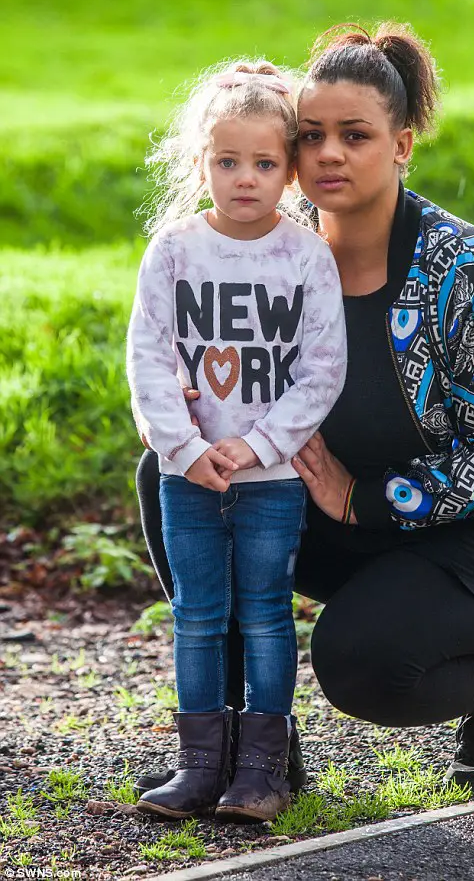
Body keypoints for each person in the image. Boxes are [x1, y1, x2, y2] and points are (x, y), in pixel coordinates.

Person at [134, 23, 474, 803]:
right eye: (310, 136)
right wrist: (179, 408)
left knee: (364, 667)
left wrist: (364, 498)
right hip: (337, 506)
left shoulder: (460, 267)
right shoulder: (277, 254)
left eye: (356, 135)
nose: (329, 155)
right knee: (171, 475)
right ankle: (256, 749)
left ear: (403, 144)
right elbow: (180, 351)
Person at [125, 59, 347, 822]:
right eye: (227, 161)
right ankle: (198, 767)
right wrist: (185, 450)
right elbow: (148, 359)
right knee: (196, 614)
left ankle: (261, 771)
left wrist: (254, 447)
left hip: (272, 480)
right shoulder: (175, 252)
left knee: (263, 614)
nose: (244, 177)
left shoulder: (305, 258)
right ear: (201, 163)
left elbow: (321, 371)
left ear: (289, 172)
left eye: (262, 163)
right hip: (189, 479)